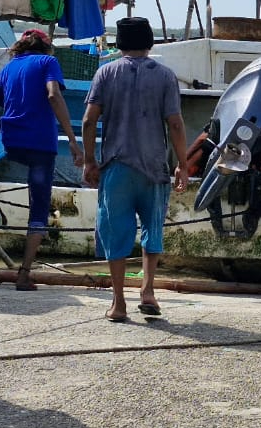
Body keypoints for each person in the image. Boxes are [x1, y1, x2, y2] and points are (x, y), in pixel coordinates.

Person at [81, 17, 188, 322]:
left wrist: (89, 160)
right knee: (152, 228)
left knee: (116, 231)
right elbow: (176, 123)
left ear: (119, 44)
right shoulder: (166, 76)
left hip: (116, 166)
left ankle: (118, 303)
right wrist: (182, 163)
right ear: (150, 42)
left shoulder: (106, 72)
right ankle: (149, 291)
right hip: (154, 167)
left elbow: (89, 121)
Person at [0, 29, 83, 290]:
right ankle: (24, 273)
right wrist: (73, 142)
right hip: (40, 144)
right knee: (39, 207)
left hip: (11, 144)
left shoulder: (7, 70)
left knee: (34, 191)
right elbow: (54, 95)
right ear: (46, 48)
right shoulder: (48, 63)